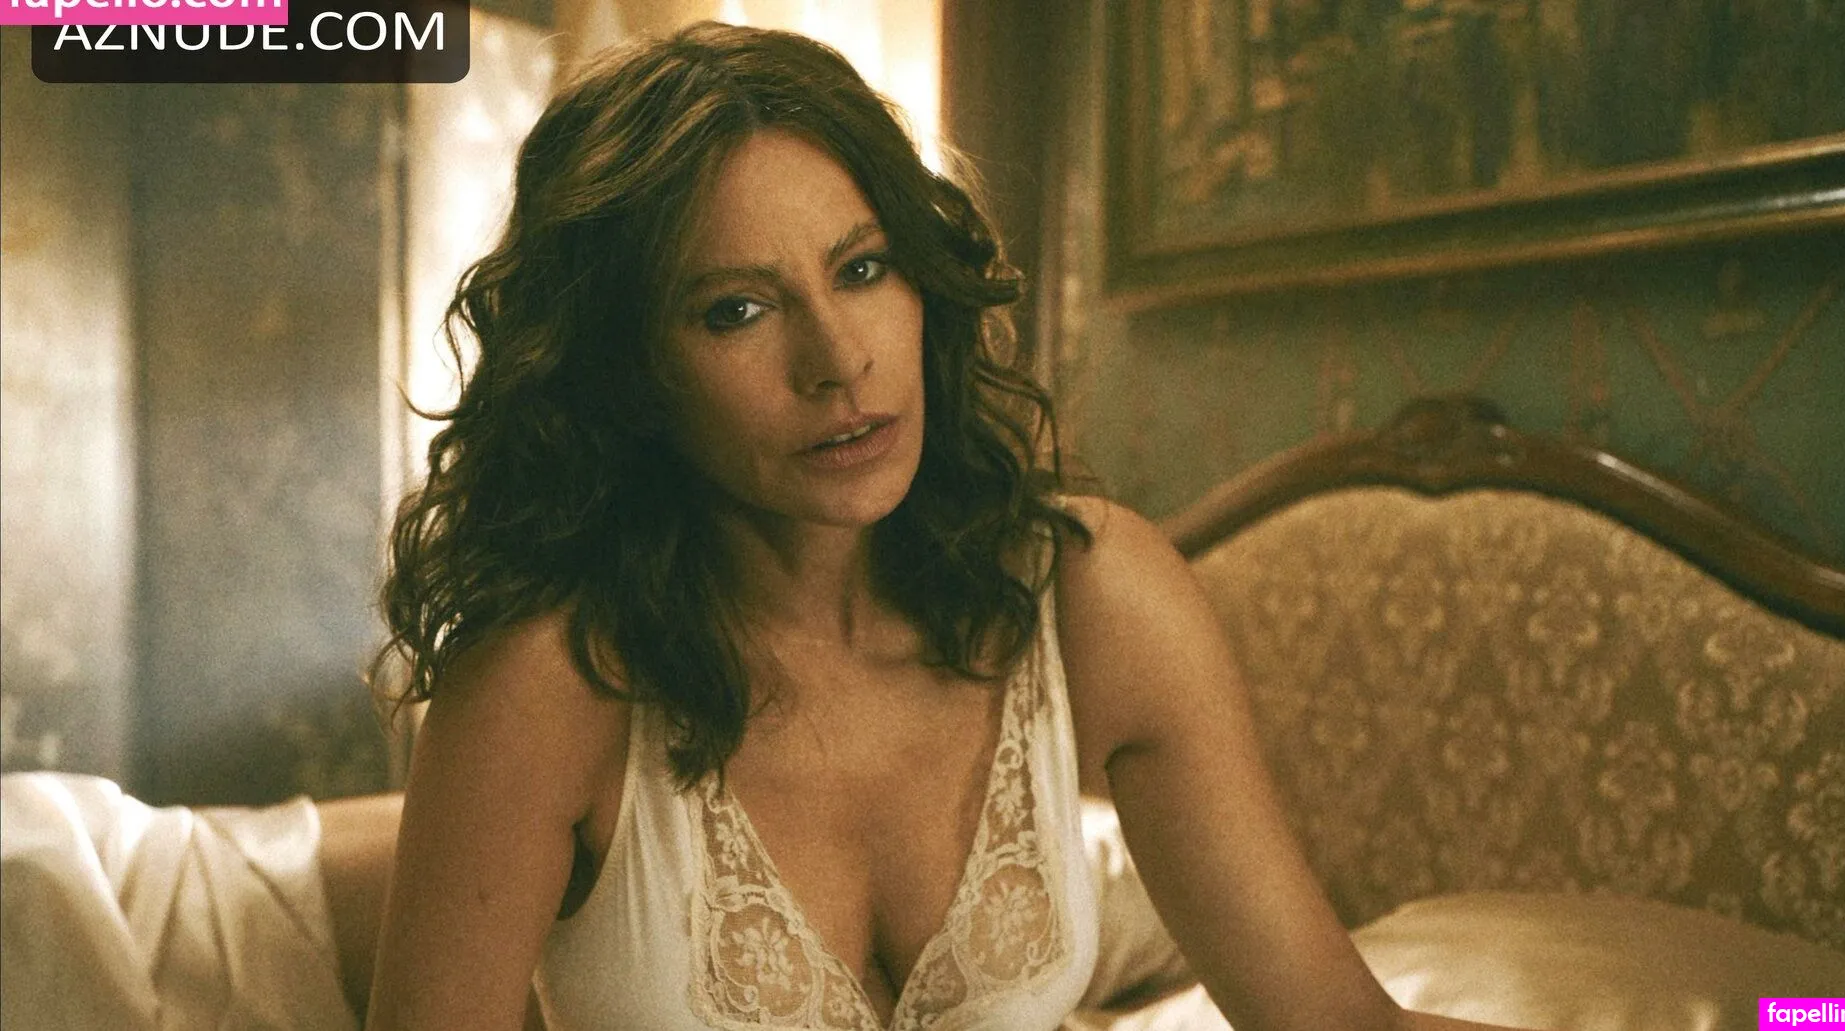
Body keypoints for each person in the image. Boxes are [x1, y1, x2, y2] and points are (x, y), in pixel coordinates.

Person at [364, 21, 1519, 1031]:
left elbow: (1338, 1022)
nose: (839, 359)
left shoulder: (1094, 594)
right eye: (738, 309)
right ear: (628, 371)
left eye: (864, 268)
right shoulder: (548, 685)